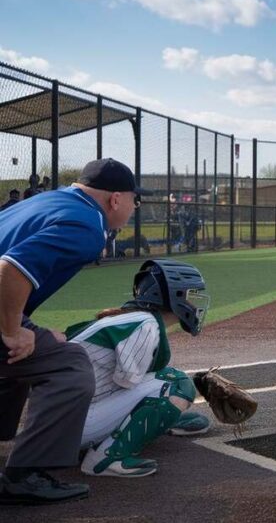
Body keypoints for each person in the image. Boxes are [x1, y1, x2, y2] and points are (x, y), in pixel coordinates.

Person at [0, 157, 148, 505]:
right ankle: (26, 476)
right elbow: (8, 269)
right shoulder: (87, 225)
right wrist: (11, 330)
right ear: (115, 199)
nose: (133, 206)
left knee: (35, 348)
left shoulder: (45, 200)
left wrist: (25, 327)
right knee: (70, 365)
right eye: (133, 199)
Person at [68, 259, 211, 478]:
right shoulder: (146, 325)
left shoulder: (135, 318)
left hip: (62, 417)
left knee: (168, 379)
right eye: (191, 295)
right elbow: (126, 384)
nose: (195, 303)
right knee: (177, 385)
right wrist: (174, 401)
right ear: (175, 296)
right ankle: (105, 458)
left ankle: (160, 420)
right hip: (73, 425)